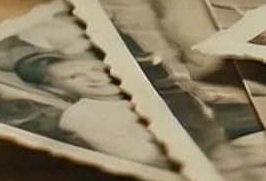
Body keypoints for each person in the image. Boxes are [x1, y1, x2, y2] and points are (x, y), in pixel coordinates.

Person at [12, 50, 163, 167]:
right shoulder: (81, 117)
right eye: (74, 77)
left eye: (95, 70)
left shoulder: (132, 85)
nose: (96, 78)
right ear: (55, 89)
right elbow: (146, 158)